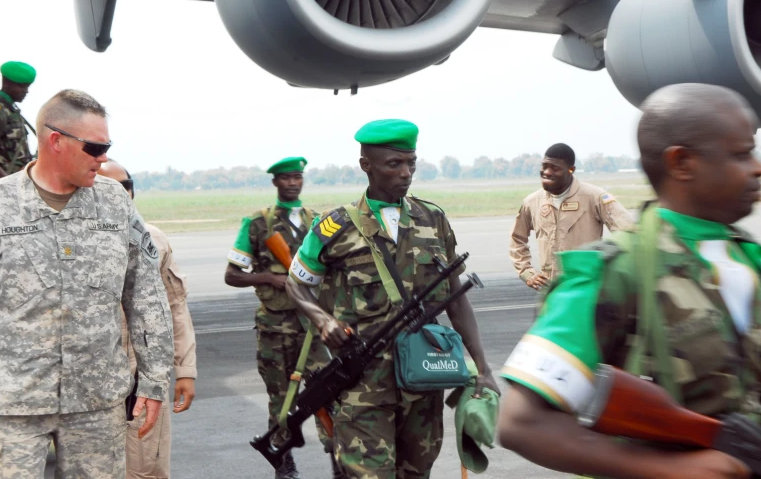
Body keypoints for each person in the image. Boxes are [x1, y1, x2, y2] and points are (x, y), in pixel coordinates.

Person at [498, 83, 761, 478]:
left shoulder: (748, 256)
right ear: (682, 163)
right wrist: (677, 470)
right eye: (741, 154)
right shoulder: (614, 271)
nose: (756, 165)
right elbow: (521, 423)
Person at [285, 119, 500, 479]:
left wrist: (483, 367)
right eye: (394, 164)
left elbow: (456, 299)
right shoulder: (334, 226)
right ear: (365, 165)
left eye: (411, 163)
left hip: (424, 379)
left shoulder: (433, 219)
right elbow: (296, 283)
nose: (406, 173)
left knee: (417, 474)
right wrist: (323, 321)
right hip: (363, 387)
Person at [0, 89, 173, 479]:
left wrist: (154, 381)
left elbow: (146, 294)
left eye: (107, 147)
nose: (103, 158)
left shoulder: (114, 203)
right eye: (95, 147)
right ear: (56, 141)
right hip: (12, 402)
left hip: (96, 401)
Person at [224, 157, 340, 479]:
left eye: (297, 177)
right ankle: (282, 462)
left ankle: (338, 460)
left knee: (326, 394)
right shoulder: (258, 224)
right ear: (276, 182)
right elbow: (232, 276)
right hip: (275, 327)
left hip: (313, 328)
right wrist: (268, 278)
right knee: (281, 398)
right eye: (286, 178)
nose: (292, 183)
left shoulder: (320, 222)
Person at [98, 160, 197, 479]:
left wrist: (184, 369)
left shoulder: (153, 240)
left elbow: (175, 307)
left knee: (146, 469)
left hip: (142, 382)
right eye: (105, 186)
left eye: (123, 187)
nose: (117, 194)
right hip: (90, 385)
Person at [509, 143, 633, 293]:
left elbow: (628, 234)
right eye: (544, 166)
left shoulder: (595, 197)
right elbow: (517, 239)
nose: (547, 172)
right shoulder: (532, 202)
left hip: (587, 290)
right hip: (551, 291)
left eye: (555, 168)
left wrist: (613, 271)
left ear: (571, 170)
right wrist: (527, 272)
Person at [0, 61, 38, 184]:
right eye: (22, 86)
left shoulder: (12, 112)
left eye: (27, 86)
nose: (26, 91)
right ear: (6, 83)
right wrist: (6, 180)